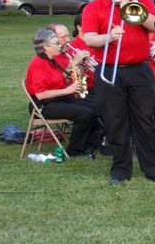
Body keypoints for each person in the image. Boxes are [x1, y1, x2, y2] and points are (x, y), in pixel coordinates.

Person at [81, 0, 155, 184]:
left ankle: (153, 170)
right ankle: (120, 170)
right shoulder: (94, 7)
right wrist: (108, 37)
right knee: (115, 122)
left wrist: (132, 7)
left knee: (145, 122)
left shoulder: (142, 0)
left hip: (139, 69)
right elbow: (89, 39)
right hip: (109, 70)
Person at [25, 29, 103, 157]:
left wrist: (79, 69)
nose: (59, 45)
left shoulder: (51, 60)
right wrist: (67, 90)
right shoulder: (38, 64)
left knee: (99, 104)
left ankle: (92, 141)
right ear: (46, 47)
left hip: (60, 98)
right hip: (44, 105)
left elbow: (62, 79)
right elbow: (40, 94)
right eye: (56, 43)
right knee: (84, 114)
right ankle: (74, 150)